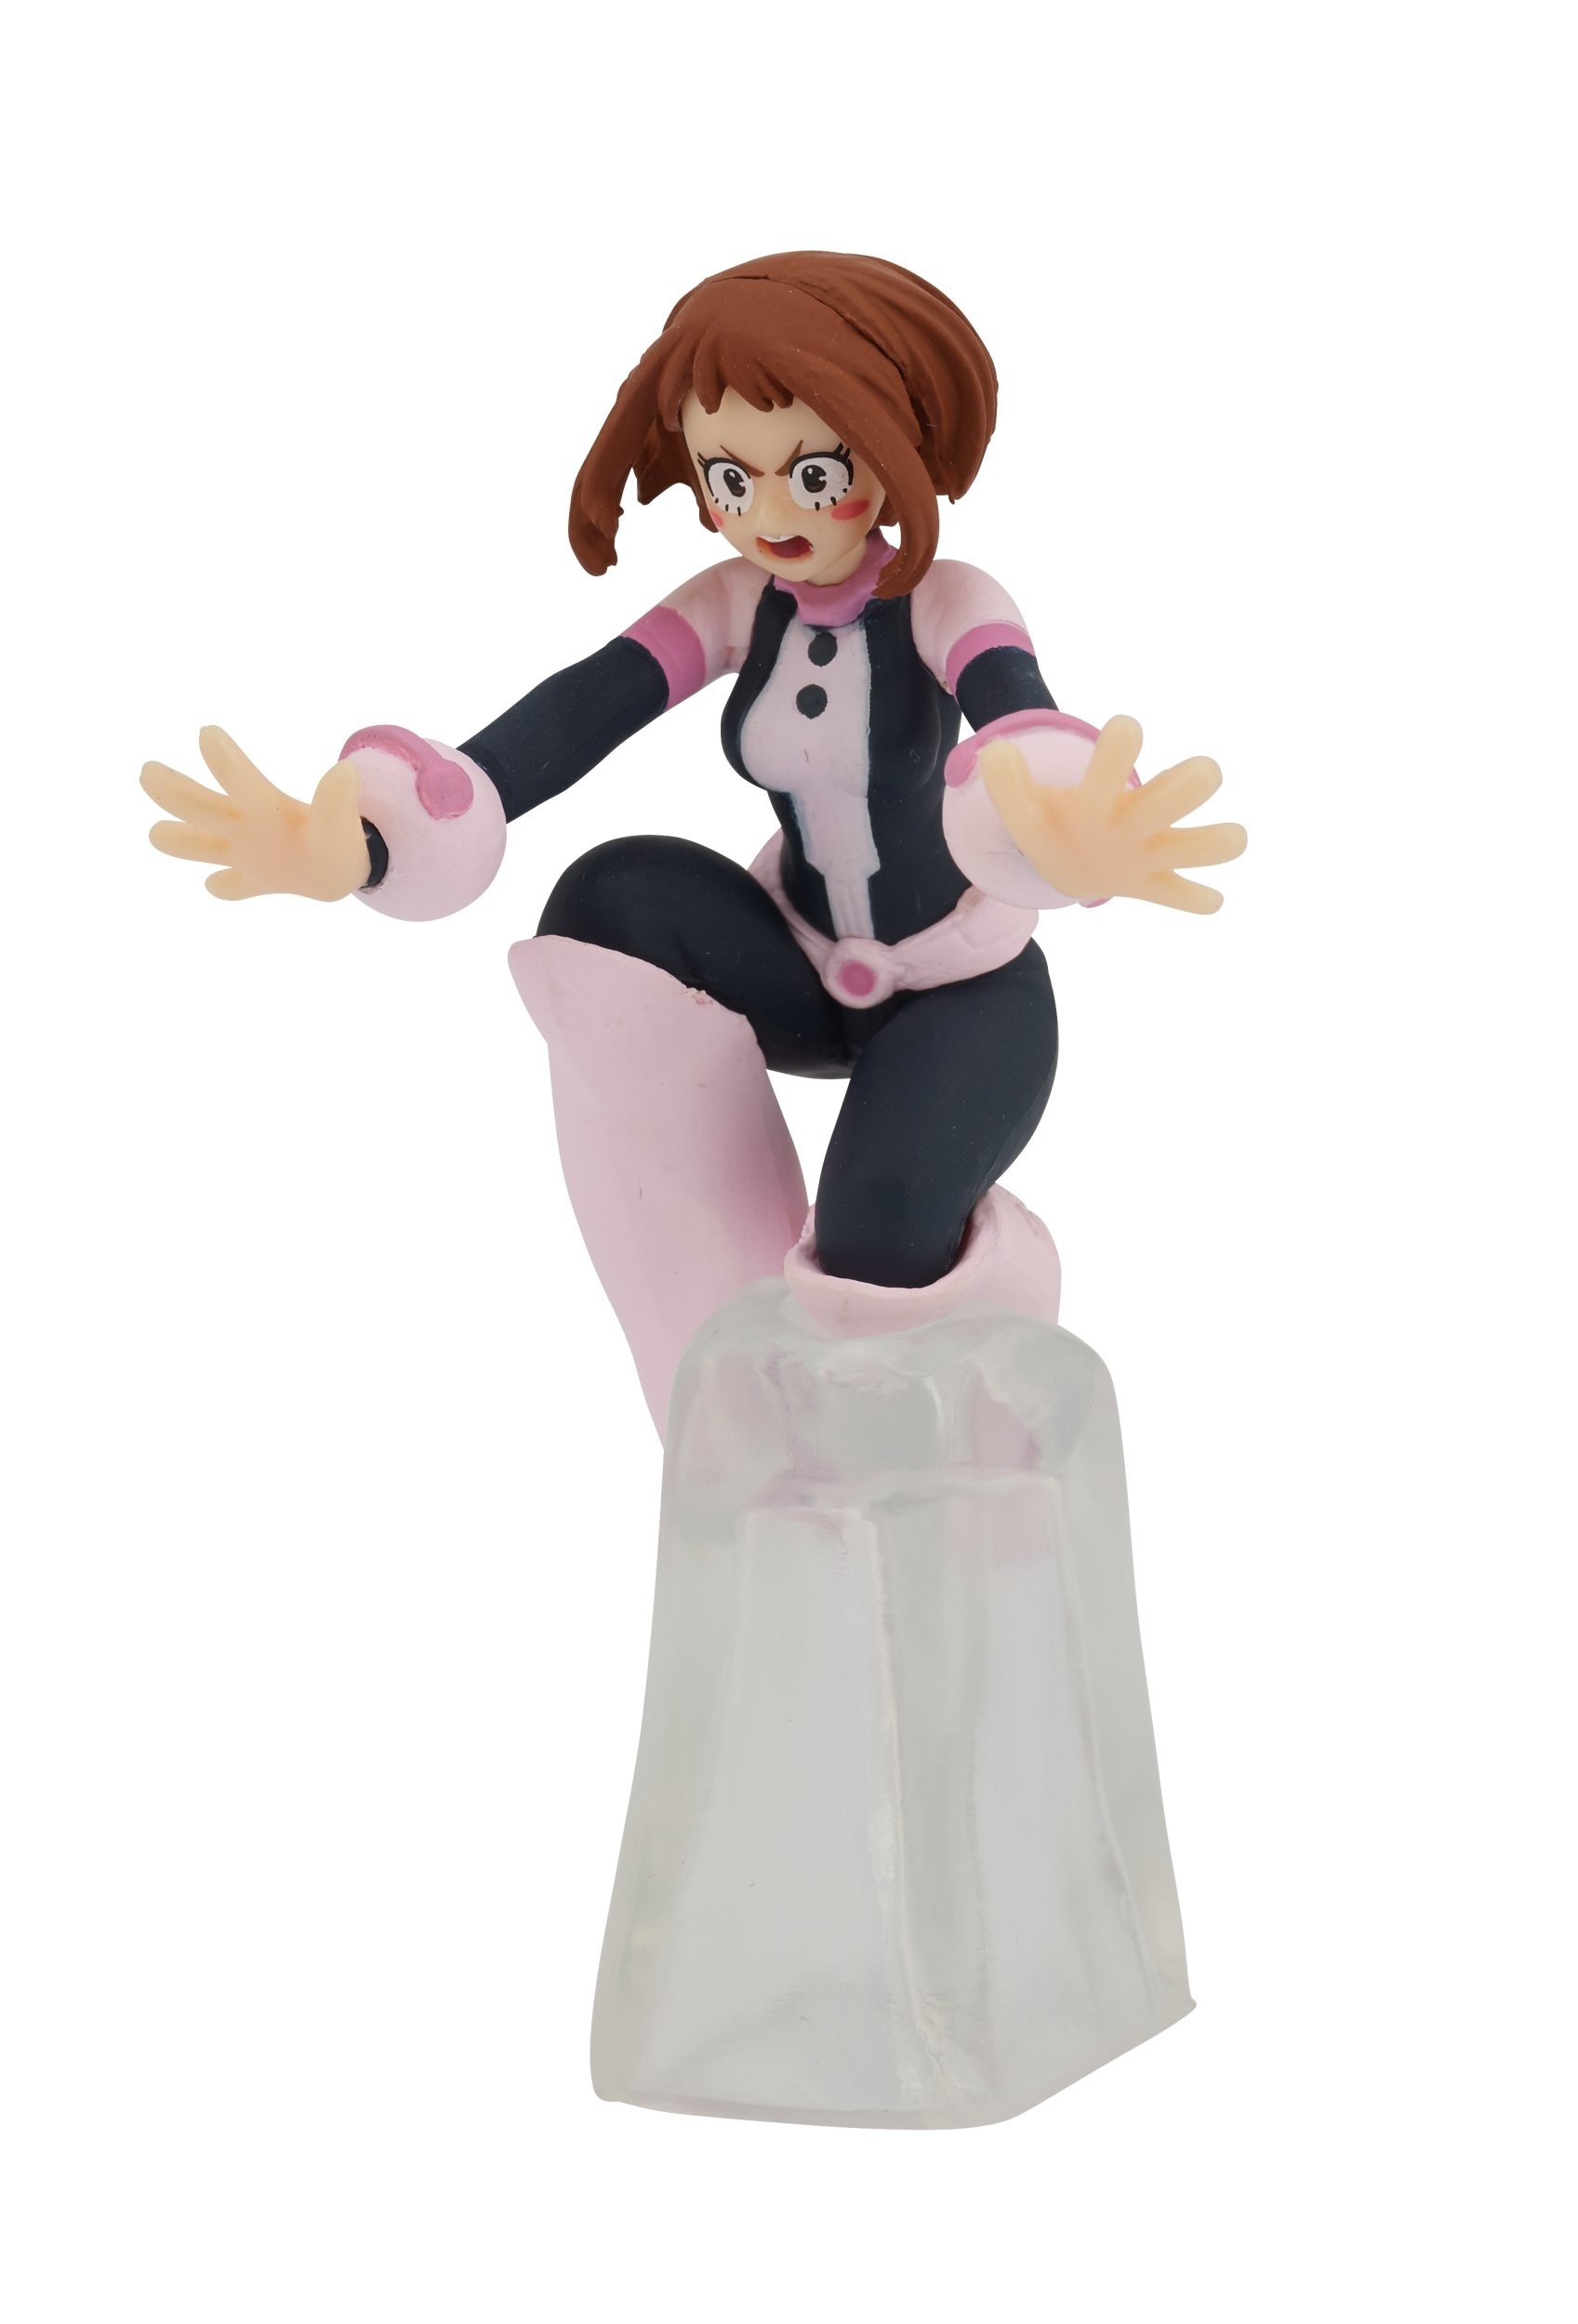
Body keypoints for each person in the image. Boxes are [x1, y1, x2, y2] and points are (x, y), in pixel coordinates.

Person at [142, 250, 1245, 1434]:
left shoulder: (945, 598)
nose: (768, 516)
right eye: (731, 478)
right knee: (609, 899)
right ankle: (719, 1347)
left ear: (892, 454)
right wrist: (368, 839)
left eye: (814, 474)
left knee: (875, 1224)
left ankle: (964, 1399)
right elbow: (576, 711)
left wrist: (1065, 827)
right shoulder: (732, 602)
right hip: (798, 965)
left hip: (959, 997)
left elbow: (1013, 708)